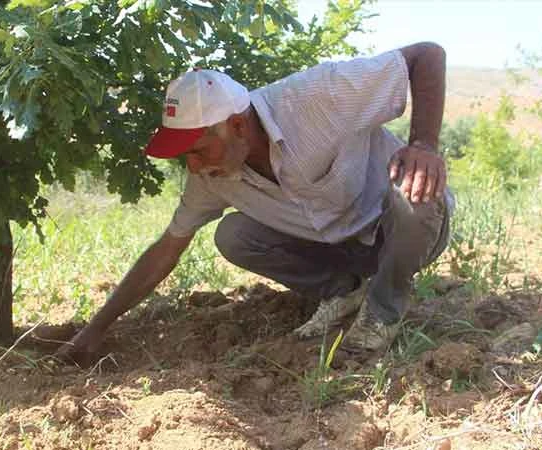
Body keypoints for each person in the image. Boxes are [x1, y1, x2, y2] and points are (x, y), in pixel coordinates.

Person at [58, 42, 454, 366]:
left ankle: (382, 313)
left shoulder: (316, 97)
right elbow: (165, 250)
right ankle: (343, 290)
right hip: (341, 249)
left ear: (235, 125)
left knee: (413, 191)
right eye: (185, 156)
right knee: (233, 235)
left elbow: (426, 56)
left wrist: (423, 145)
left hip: (404, 233)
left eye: (198, 149)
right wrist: (95, 328)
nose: (193, 165)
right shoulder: (210, 176)